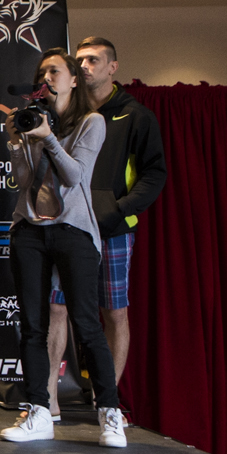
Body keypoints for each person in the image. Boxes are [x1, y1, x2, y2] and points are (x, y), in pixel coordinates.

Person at [0, 49, 126, 448]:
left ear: (74, 80)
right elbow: (23, 183)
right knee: (33, 325)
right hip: (30, 229)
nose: (47, 77)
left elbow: (74, 177)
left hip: (73, 229)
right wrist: (17, 143)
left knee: (87, 324)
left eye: (55, 71)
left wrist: (49, 139)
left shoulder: (92, 122)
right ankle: (39, 410)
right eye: (42, 73)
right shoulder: (33, 122)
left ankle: (110, 413)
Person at [45, 36, 167, 419]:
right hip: (66, 227)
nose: (84, 66)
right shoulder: (65, 114)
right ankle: (46, 399)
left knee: (113, 312)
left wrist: (116, 213)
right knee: (56, 309)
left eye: (94, 60)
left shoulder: (136, 115)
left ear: (113, 67)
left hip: (112, 230)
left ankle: (106, 402)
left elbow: (154, 176)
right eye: (79, 60)